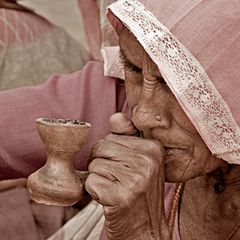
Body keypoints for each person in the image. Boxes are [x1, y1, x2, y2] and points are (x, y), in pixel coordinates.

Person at [0, 0, 239, 240]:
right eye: (133, 69)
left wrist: (139, 232)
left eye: (176, 84)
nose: (142, 116)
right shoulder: (119, 95)